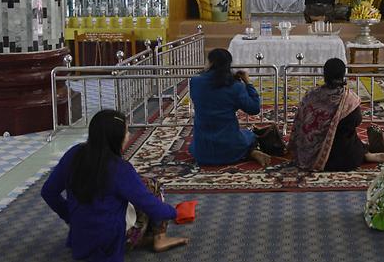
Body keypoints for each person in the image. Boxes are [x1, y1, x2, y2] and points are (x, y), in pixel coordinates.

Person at [40, 110, 188, 262]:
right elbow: (150, 205)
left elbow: (48, 192)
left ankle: (144, 238)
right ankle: (157, 238)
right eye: (126, 131)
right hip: (109, 247)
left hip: (80, 241)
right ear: (116, 139)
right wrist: (175, 212)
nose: (129, 134)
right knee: (151, 187)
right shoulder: (120, 169)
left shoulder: (74, 154)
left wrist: (71, 216)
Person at [288, 58, 384, 171]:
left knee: (345, 133)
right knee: (349, 136)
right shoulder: (349, 99)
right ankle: (365, 154)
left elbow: (299, 121)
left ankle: (364, 153)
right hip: (343, 158)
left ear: (325, 75)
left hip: (308, 155)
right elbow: (356, 120)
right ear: (343, 75)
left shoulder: (310, 96)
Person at [189, 48, 271, 167]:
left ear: (210, 62)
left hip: (202, 151)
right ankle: (250, 152)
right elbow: (254, 108)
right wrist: (247, 82)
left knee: (194, 144)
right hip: (230, 148)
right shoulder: (235, 86)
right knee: (250, 135)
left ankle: (248, 152)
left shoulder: (195, 81)